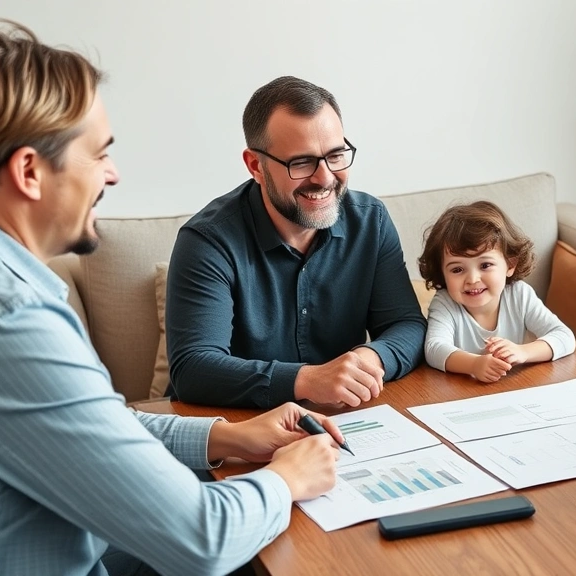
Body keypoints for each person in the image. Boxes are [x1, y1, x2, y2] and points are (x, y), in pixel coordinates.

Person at [0, 21, 345, 575]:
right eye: (98, 154)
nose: (113, 174)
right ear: (29, 171)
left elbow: (91, 426)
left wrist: (228, 436)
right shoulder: (10, 322)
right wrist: (287, 478)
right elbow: (201, 539)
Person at [165, 77, 427, 409]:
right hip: (237, 426)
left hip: (344, 419)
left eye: (335, 155)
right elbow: (193, 369)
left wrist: (370, 359)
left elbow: (407, 324)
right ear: (256, 166)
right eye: (301, 162)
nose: (325, 178)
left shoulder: (370, 221)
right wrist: (306, 380)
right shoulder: (207, 242)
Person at [418, 201, 575, 382]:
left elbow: (564, 336)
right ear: (442, 273)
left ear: (510, 264)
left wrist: (522, 352)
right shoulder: (445, 303)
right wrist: (475, 365)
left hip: (510, 389)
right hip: (460, 394)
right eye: (457, 270)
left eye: (485, 265)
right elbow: (434, 349)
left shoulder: (519, 295)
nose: (472, 279)